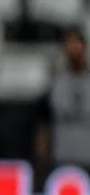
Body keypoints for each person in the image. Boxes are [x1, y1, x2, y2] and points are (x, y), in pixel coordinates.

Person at [36, 26, 90, 166]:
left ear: (85, 48)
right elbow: (44, 121)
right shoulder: (54, 83)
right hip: (62, 156)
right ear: (64, 50)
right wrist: (42, 156)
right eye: (70, 45)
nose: (74, 50)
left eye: (77, 45)